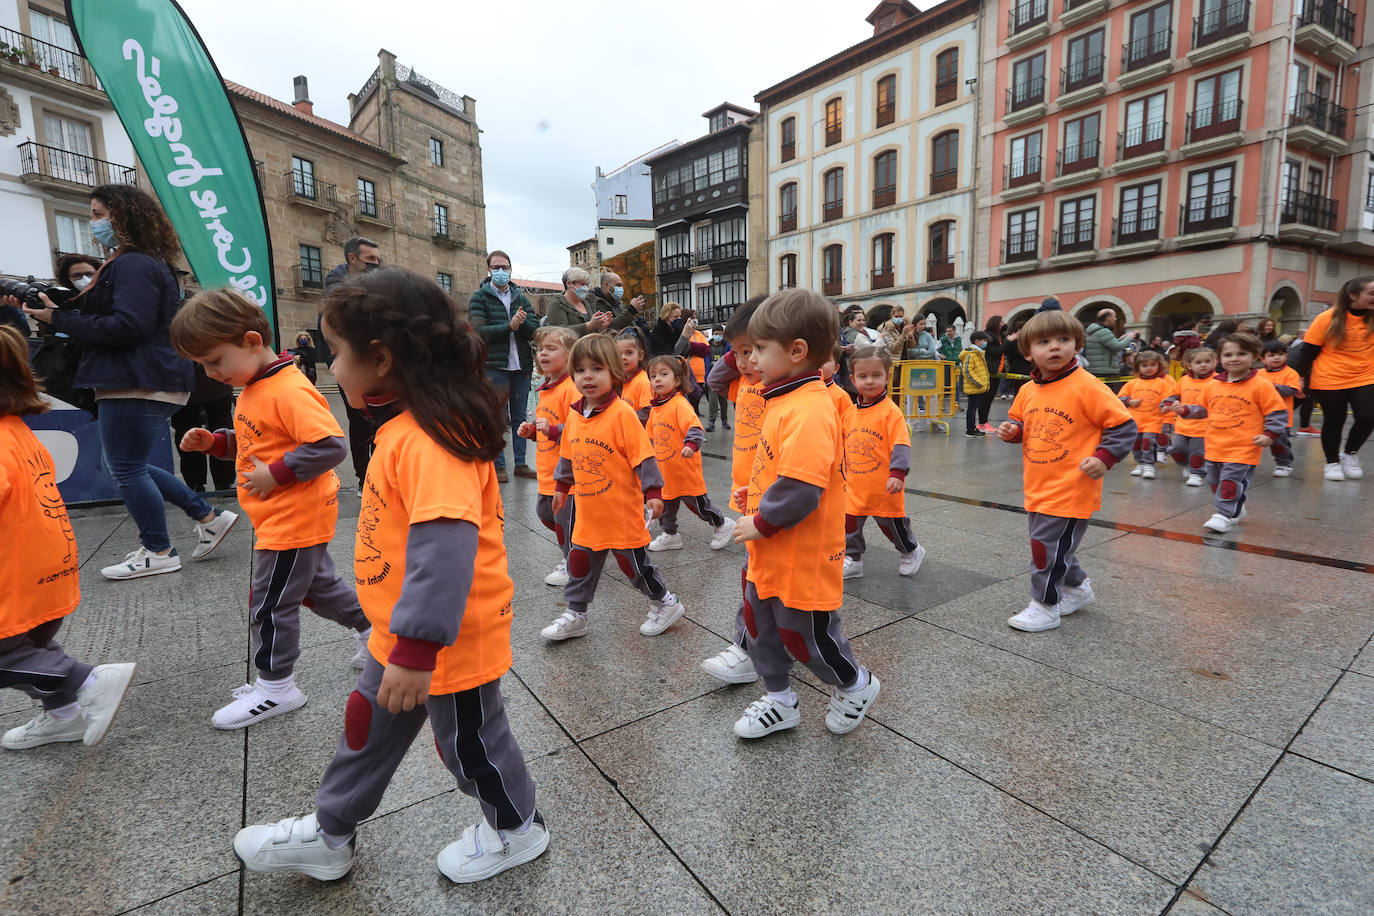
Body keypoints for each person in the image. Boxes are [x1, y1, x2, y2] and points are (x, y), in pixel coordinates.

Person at [234, 267, 548, 885]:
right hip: (401, 631)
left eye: (335, 354)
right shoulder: (403, 427)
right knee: (365, 729)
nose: (329, 368)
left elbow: (445, 550)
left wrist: (415, 648)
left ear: (379, 359)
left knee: (470, 745)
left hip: (442, 639)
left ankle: (516, 828)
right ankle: (330, 833)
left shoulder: (431, 439)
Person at [8, 183, 232, 580]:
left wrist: (58, 319)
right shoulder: (142, 262)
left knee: (126, 468)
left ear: (124, 216)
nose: (93, 222)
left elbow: (128, 325)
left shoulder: (133, 264)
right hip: (143, 375)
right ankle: (207, 516)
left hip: (136, 376)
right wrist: (59, 309)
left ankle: (158, 548)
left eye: (98, 214)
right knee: (132, 465)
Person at [170, 289, 371, 728]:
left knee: (269, 603)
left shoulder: (287, 388)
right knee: (318, 589)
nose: (211, 373)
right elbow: (261, 442)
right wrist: (219, 442)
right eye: (202, 365)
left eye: (214, 361)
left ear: (249, 341)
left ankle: (277, 688)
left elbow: (330, 445)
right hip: (285, 515)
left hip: (292, 516)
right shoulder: (255, 386)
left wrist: (276, 474)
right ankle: (375, 633)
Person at [729, 289, 880, 739]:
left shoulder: (811, 408)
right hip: (769, 547)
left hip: (802, 551)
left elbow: (802, 488)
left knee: (804, 634)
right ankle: (780, 699)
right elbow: (781, 468)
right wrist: (752, 495)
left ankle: (855, 683)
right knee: (760, 626)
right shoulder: (780, 400)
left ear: (796, 351)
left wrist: (761, 520)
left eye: (759, 348)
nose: (751, 358)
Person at [0, 325, 137, 751]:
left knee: (11, 656)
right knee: (29, 651)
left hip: (13, 577)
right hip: (49, 568)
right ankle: (63, 716)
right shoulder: (17, 431)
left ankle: (88, 681)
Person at [995, 309, 1136, 633]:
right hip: (1039, 484)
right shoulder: (1030, 389)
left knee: (1045, 547)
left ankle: (1045, 606)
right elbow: (1021, 422)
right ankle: (1078, 588)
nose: (1055, 347)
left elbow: (1123, 426)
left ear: (1078, 344)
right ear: (1029, 351)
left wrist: (1103, 458)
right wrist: (1012, 431)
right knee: (1053, 546)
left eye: (1064, 340)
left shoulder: (1087, 385)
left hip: (1073, 486)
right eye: (1044, 342)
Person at [539, 334, 685, 641]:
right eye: (580, 370)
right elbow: (568, 456)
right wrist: (561, 488)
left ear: (614, 373)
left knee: (634, 567)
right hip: (588, 515)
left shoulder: (623, 414)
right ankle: (576, 614)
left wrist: (654, 493)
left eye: (597, 369)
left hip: (620, 513)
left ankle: (665, 603)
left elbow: (644, 458)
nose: (587, 376)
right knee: (578, 564)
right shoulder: (576, 415)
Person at [699, 297, 767, 686]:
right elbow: (714, 381)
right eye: (739, 353)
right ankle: (753, 645)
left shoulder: (779, 389)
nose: (745, 361)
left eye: (754, 350)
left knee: (758, 573)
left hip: (773, 493)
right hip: (748, 489)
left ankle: (747, 647)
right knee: (756, 572)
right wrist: (734, 352)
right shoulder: (742, 383)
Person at [1172, 333, 1286, 533]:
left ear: (1254, 357)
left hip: (1244, 447)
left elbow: (1276, 412)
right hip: (1215, 445)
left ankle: (1223, 515)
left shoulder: (1261, 385)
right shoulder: (1213, 385)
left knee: (1229, 482)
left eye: (1241, 354)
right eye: (1228, 354)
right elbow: (1203, 409)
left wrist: (1270, 435)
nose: (1234, 358)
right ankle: (1236, 508)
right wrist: (1187, 410)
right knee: (1214, 482)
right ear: (1220, 358)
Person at [841, 344, 923, 579]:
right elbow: (842, 444)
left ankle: (911, 550)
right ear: (853, 378)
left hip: (884, 486)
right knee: (849, 526)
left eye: (876, 375)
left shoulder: (891, 412)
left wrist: (898, 473)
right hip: (855, 485)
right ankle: (853, 558)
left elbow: (901, 444)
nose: (869, 381)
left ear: (888, 376)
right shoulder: (850, 412)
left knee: (892, 526)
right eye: (863, 376)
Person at [644, 354, 734, 552]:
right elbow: (649, 437)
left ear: (677, 380)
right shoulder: (656, 408)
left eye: (663, 374)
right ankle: (670, 535)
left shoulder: (679, 404)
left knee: (699, 506)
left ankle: (721, 523)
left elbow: (695, 428)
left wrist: (690, 445)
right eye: (653, 376)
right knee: (666, 507)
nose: (657, 379)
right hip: (665, 472)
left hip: (684, 470)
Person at [517, 325, 580, 587]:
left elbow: (581, 429)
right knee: (544, 512)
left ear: (570, 356)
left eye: (551, 348)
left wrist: (554, 430)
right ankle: (583, 547)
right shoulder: (545, 389)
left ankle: (574, 564)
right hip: (545, 472)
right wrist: (533, 432)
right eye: (541, 348)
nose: (543, 353)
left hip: (567, 475)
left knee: (564, 523)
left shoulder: (571, 389)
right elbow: (547, 428)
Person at [468, 250, 537, 483]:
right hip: (494, 366)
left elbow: (534, 328)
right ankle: (499, 466)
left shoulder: (520, 296)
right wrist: (509, 326)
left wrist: (522, 323)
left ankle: (521, 463)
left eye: (505, 267)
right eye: (496, 267)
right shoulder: (480, 297)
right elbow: (479, 331)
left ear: (510, 269)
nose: (501, 271)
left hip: (521, 366)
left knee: (520, 416)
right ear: (489, 270)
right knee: (497, 417)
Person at [1300, 276, 1374, 481]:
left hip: (1366, 376)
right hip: (1330, 377)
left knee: (1368, 417)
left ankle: (1349, 453)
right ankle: (1332, 462)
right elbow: (1308, 351)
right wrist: (1300, 378)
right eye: (1371, 293)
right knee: (1334, 420)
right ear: (1353, 295)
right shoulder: (1327, 318)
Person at [323, 236, 382, 490]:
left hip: (377, 360)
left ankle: (382, 474)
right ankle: (363, 478)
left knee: (382, 420)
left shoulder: (377, 283)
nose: (376, 265)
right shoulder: (337, 291)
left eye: (378, 260)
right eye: (370, 260)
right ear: (352, 258)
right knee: (359, 422)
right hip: (353, 364)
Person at [169, 362, 237, 493]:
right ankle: (207, 482)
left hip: (201, 374)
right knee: (189, 431)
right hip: (191, 375)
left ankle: (205, 482)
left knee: (217, 425)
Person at [1117, 350, 1177, 480]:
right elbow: (1120, 397)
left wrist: (1166, 407)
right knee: (1136, 444)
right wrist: (1129, 401)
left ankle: (1149, 464)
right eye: (1145, 365)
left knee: (1148, 442)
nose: (1149, 368)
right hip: (1135, 421)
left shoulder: (1162, 383)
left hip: (1154, 420)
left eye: (1152, 365)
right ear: (1138, 367)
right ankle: (1140, 463)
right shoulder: (1132, 383)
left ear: (1158, 366)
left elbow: (1168, 398)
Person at [1163, 348, 1218, 487]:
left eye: (1207, 361)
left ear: (1214, 363)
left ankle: (1197, 473)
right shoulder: (1184, 380)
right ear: (1189, 365)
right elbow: (1172, 395)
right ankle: (1187, 464)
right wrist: (1168, 404)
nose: (1203, 365)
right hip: (1183, 425)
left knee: (1197, 451)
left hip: (1204, 426)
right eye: (1198, 362)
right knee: (1177, 449)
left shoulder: (1217, 380)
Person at [1260, 339, 1304, 478]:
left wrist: (1273, 387)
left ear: (1286, 356)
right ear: (1263, 359)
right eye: (1271, 355)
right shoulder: (1259, 374)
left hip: (1281, 417)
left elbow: (1291, 391)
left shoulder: (1290, 373)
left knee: (1279, 442)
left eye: (1280, 354)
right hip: (1259, 416)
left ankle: (1284, 463)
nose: (1277, 358)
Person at [544, 267, 613, 337]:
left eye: (587, 285)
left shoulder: (587, 302)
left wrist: (601, 327)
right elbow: (558, 331)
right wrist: (589, 325)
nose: (586, 288)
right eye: (582, 284)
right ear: (569, 284)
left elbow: (593, 330)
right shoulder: (557, 302)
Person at [1082, 308, 1137, 379]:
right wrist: (1130, 337)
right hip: (1104, 371)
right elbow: (1117, 347)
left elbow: (1107, 344)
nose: (1115, 319)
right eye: (1114, 316)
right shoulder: (1104, 332)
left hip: (1095, 369)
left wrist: (1121, 338)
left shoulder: (1095, 331)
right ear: (1108, 318)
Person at [586, 269, 646, 333]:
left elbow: (625, 323)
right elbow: (609, 326)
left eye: (621, 286)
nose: (621, 289)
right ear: (606, 285)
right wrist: (631, 310)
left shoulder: (617, 302)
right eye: (618, 285)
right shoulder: (595, 302)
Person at [960, 331, 993, 438]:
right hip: (974, 387)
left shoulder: (978, 353)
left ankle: (972, 428)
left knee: (973, 407)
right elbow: (967, 371)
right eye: (984, 341)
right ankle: (970, 429)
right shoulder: (971, 353)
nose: (985, 343)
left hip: (978, 387)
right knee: (972, 408)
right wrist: (978, 383)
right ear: (977, 341)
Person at [616, 327, 653, 422]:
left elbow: (647, 412)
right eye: (619, 354)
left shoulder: (643, 381)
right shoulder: (621, 380)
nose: (623, 357)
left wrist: (625, 422)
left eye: (629, 353)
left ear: (640, 355)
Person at [705, 324, 730, 431]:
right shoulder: (708, 346)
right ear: (712, 334)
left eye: (720, 334)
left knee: (723, 401)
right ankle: (711, 422)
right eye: (716, 334)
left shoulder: (726, 346)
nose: (717, 336)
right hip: (712, 378)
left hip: (724, 379)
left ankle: (724, 421)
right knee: (713, 401)